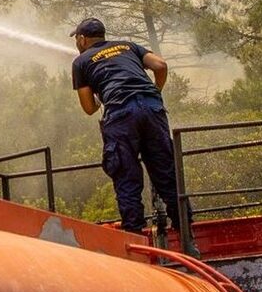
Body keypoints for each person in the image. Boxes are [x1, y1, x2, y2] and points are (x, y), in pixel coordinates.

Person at [69, 17, 181, 236]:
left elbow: (89, 108)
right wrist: (155, 91)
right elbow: (160, 65)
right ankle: (185, 229)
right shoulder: (128, 46)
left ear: (82, 39)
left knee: (126, 176)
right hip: (152, 110)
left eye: (76, 39)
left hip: (121, 115)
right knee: (166, 172)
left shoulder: (81, 62)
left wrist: (100, 95)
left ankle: (135, 237)